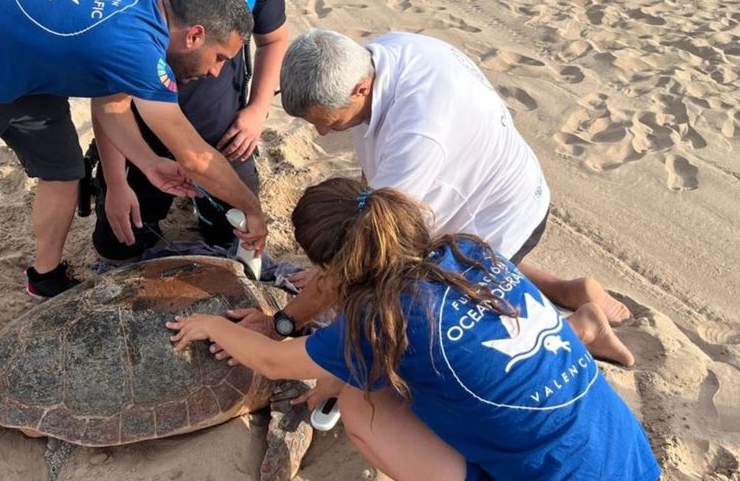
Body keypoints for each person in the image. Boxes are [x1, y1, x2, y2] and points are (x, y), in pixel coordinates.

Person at [0, 0, 268, 378]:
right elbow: (195, 156)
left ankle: (45, 277)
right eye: (220, 58)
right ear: (195, 35)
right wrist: (251, 210)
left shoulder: (146, 10)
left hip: (26, 74)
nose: (218, 71)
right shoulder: (136, 47)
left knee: (64, 173)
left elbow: (112, 106)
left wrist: (147, 164)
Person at [167, 178, 661, 481]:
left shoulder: (379, 319)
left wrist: (209, 323)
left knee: (360, 405)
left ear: (335, 268)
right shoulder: (469, 251)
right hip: (630, 458)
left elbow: (274, 361)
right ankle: (583, 326)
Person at [231, 29, 633, 367]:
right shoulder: (378, 56)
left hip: (506, 212)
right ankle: (566, 289)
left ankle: (580, 329)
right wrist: (323, 284)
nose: (321, 134)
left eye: (327, 121)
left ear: (360, 88)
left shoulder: (418, 133)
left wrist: (282, 322)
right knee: (435, 256)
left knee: (444, 340)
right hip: (475, 195)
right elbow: (375, 192)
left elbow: (368, 249)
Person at [89, 0, 287, 260]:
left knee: (240, 246)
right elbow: (106, 96)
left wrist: (257, 111)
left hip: (225, 139)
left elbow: (273, 39)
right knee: (118, 247)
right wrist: (116, 183)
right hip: (143, 146)